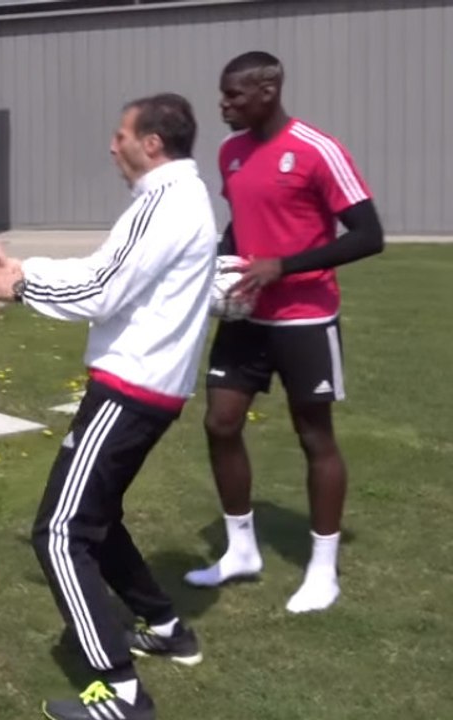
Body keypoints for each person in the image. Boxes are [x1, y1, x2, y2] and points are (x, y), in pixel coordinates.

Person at [0, 93, 216, 720]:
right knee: (96, 518)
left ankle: (123, 693)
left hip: (132, 389)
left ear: (152, 144)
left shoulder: (166, 202)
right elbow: (112, 270)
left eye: (121, 136)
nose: (112, 147)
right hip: (149, 388)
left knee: (58, 532)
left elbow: (104, 289)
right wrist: (25, 267)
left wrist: (21, 285)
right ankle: (163, 625)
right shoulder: (180, 199)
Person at [184, 51, 385, 614]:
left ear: (267, 90)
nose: (223, 105)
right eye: (223, 95)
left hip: (305, 318)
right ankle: (241, 550)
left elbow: (369, 235)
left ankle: (323, 572)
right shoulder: (230, 153)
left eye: (234, 96)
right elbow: (242, 221)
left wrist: (283, 265)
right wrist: (223, 266)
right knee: (220, 422)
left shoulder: (318, 150)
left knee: (314, 436)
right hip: (248, 316)